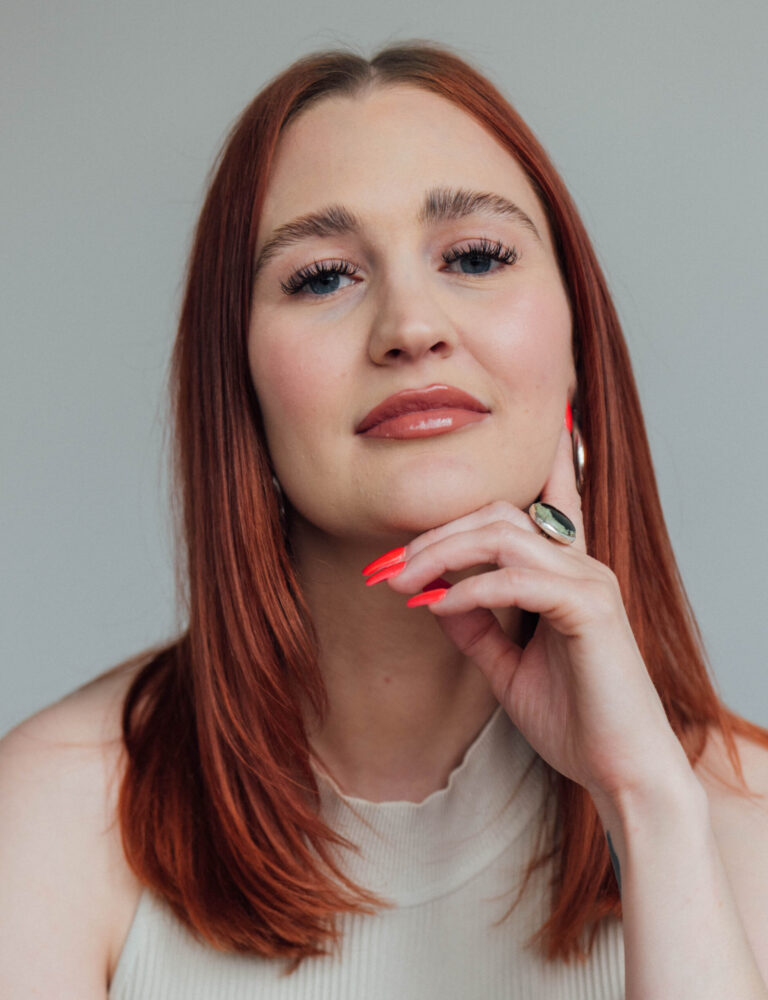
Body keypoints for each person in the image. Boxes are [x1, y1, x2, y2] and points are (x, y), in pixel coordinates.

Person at [2, 40, 768, 1000]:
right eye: (323, 276)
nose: (412, 325)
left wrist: (648, 805)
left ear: (578, 350)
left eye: (476, 257)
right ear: (237, 382)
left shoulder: (737, 822)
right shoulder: (53, 812)